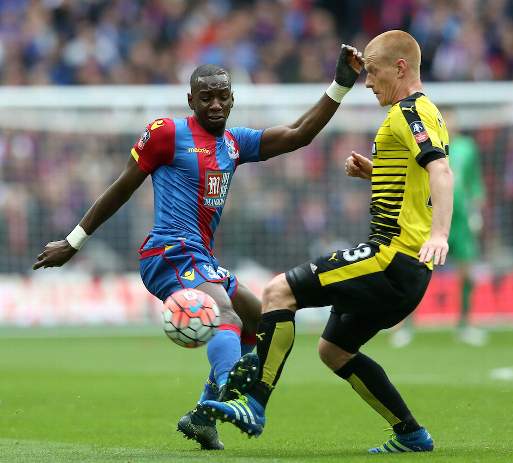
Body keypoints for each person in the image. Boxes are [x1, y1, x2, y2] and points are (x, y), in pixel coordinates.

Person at [32, 47, 363, 450]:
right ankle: (231, 388)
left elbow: (298, 135)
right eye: (206, 96)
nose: (216, 103)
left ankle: (205, 414)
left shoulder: (235, 144)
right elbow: (121, 187)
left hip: (201, 258)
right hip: (167, 252)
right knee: (222, 311)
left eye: (223, 95)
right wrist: (73, 241)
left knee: (261, 321)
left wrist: (341, 82)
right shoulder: (167, 134)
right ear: (191, 100)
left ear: (233, 98)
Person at [199, 30, 453, 454]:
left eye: (373, 72)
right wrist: (376, 173)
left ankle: (254, 404)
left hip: (392, 258)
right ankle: (410, 433)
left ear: (400, 67)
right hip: (406, 271)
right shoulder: (422, 113)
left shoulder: (410, 112)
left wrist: (440, 233)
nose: (368, 82)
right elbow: (417, 178)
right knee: (334, 350)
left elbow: (440, 171)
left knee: (278, 291)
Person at [390, 111, 487, 348]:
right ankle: (408, 326)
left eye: (451, 119)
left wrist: (477, 211)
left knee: (466, 272)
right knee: (417, 271)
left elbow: (474, 183)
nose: (449, 123)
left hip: (461, 220)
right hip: (431, 218)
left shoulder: (467, 147)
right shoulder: (427, 146)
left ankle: (464, 325)